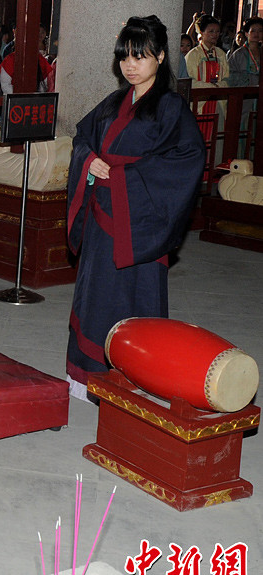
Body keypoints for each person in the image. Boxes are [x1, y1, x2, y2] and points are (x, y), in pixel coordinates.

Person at [65, 16, 205, 401]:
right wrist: (89, 160)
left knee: (133, 300)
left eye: (140, 56)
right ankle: (87, 375)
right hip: (102, 217)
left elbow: (187, 158)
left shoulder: (170, 107)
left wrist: (123, 179)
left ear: (160, 57)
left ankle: (135, 379)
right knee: (95, 296)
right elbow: (82, 137)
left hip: (139, 220)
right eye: (124, 56)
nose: (130, 65)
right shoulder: (114, 103)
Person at [185, 14, 229, 119]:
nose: (215, 35)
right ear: (201, 32)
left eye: (217, 31)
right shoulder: (193, 54)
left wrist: (218, 87)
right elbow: (189, 80)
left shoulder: (221, 54)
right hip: (199, 102)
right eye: (211, 31)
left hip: (217, 101)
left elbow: (226, 78)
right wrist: (211, 87)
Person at [228, 17, 262, 86]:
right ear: (246, 33)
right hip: (243, 91)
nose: (257, 33)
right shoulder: (238, 54)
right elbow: (229, 75)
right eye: (253, 31)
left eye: (260, 31)